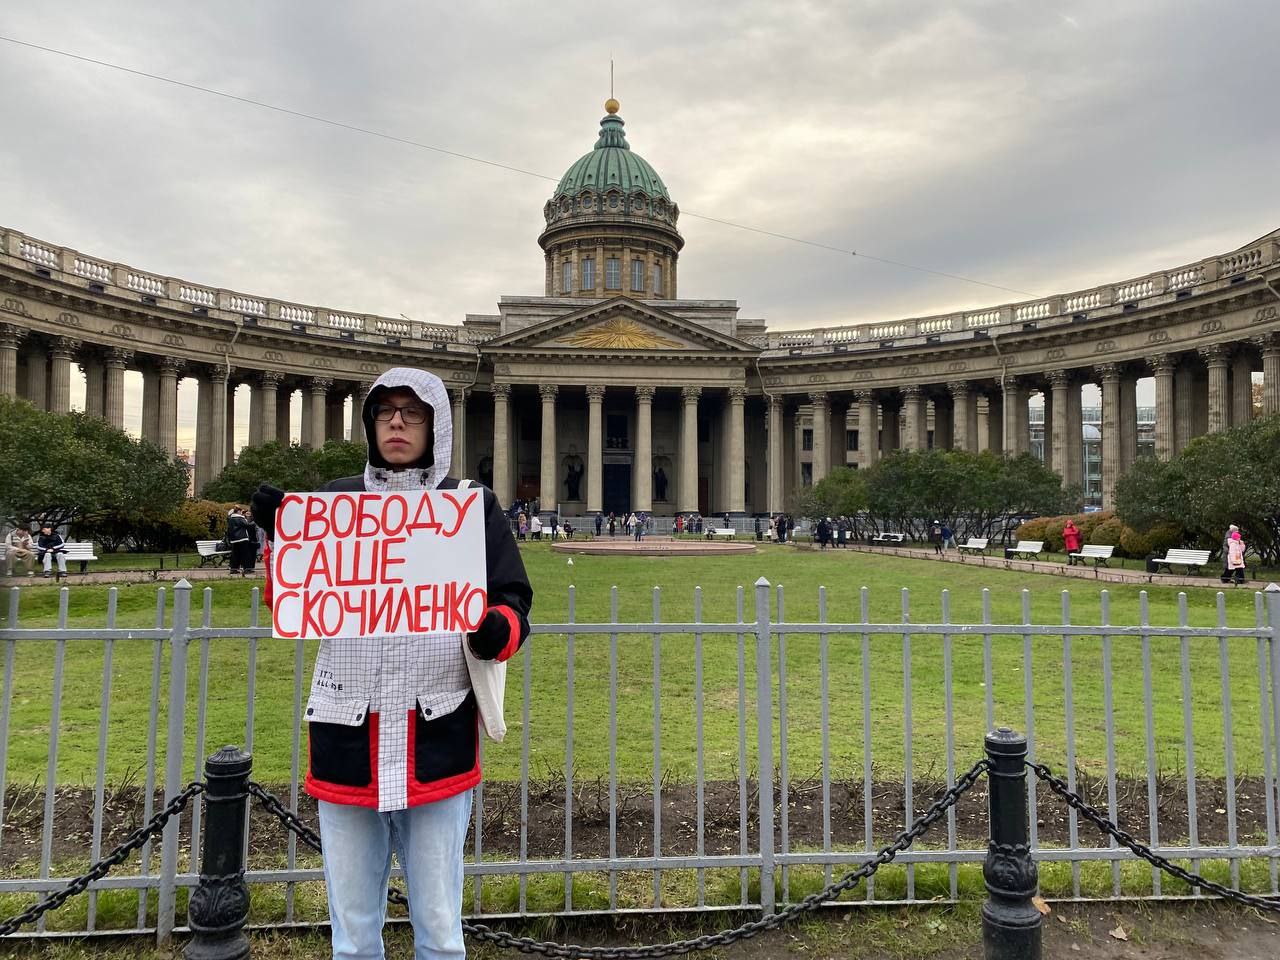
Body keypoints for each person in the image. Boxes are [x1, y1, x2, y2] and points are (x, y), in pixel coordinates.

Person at [250, 367, 532, 960]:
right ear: (371, 424)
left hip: (437, 731)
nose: (398, 422)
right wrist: (280, 537)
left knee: (439, 927)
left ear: (438, 426)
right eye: (386, 412)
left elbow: (512, 602)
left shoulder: (468, 506)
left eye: (413, 412)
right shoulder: (333, 502)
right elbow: (290, 603)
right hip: (349, 730)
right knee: (352, 934)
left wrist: (490, 634)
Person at [226, 506, 257, 576]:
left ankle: (234, 569)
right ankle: (247, 569)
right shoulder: (240, 518)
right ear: (238, 511)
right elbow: (247, 525)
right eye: (241, 512)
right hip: (242, 538)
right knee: (245, 554)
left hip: (234, 540)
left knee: (235, 555)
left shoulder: (230, 519)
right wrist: (254, 522)